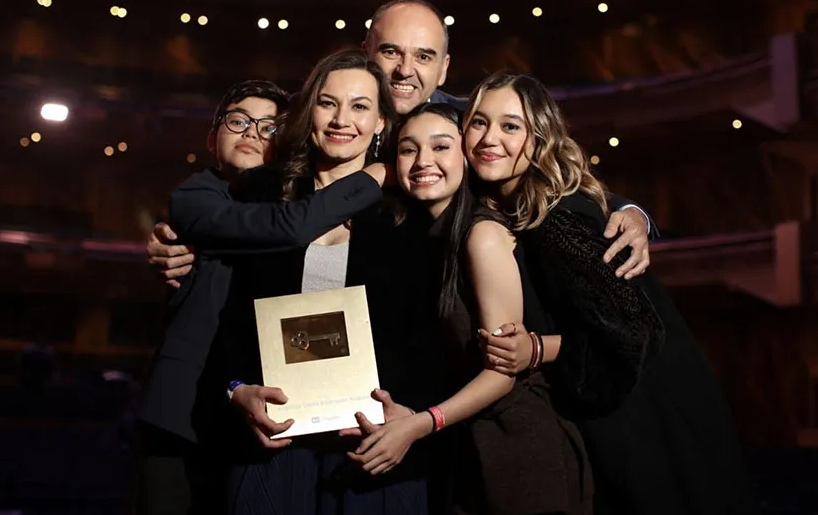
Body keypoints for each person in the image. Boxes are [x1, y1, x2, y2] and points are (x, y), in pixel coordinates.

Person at [146, 0, 654, 288]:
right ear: (366, 51)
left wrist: (630, 211)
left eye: (424, 56)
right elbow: (239, 175)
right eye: (391, 51)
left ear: (444, 67)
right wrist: (184, 238)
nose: (405, 70)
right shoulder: (318, 118)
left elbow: (547, 169)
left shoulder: (468, 127)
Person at [467, 73, 756, 515]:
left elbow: (632, 332)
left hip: (648, 426)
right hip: (632, 417)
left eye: (510, 126)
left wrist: (538, 348)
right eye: (478, 123)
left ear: (539, 138)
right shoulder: (530, 207)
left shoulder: (559, 222)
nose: (490, 138)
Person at [135, 80, 392, 514]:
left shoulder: (290, 197)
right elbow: (287, 226)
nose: (252, 133)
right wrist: (375, 174)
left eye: (270, 127)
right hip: (181, 414)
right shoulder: (196, 196)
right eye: (238, 121)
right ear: (212, 137)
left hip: (248, 419)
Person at [195, 50, 431, 514]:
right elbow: (222, 313)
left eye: (360, 106)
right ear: (309, 113)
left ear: (382, 120)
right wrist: (235, 388)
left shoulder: (409, 212)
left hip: (374, 441)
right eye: (328, 103)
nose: (343, 119)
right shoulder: (260, 194)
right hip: (273, 437)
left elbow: (428, 332)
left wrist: (414, 412)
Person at [345, 103, 597, 514]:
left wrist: (418, 424)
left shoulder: (481, 234)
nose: (423, 161)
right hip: (472, 445)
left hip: (521, 447)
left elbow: (502, 372)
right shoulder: (429, 237)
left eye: (441, 147)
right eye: (408, 150)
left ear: (466, 156)